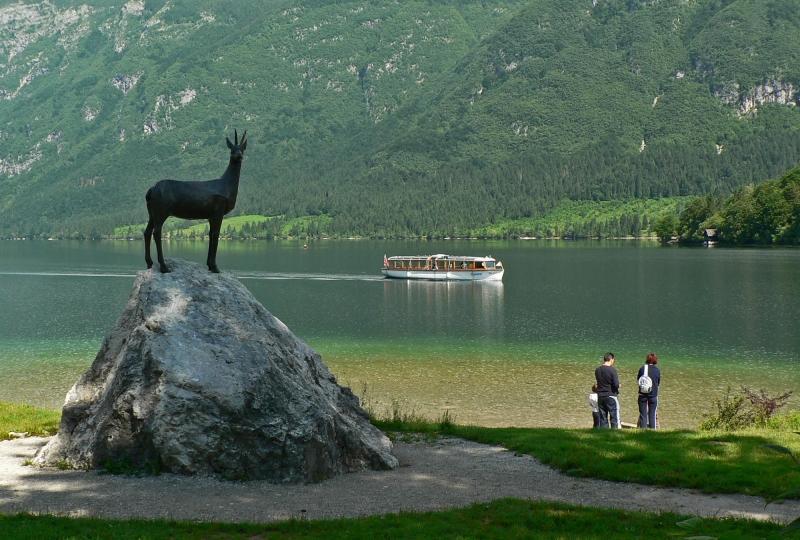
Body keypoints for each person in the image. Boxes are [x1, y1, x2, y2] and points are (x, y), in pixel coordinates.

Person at [595, 352, 621, 428]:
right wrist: (619, 385)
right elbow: (616, 384)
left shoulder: (597, 370)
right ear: (611, 359)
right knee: (614, 417)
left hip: (600, 396)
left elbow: (599, 382)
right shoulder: (612, 370)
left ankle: (604, 434)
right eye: (613, 360)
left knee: (603, 418)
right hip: (611, 395)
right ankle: (615, 433)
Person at [637, 352, 661, 429]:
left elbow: (638, 380)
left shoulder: (642, 368)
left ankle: (643, 431)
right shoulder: (657, 370)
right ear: (655, 360)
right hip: (653, 395)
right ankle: (652, 431)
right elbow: (658, 382)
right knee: (652, 414)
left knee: (643, 414)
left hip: (642, 394)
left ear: (647, 359)